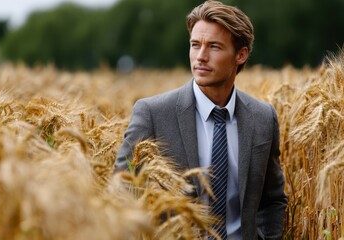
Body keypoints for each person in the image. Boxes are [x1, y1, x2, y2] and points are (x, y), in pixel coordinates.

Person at [115, 1, 287, 239]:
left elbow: (273, 199)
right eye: (195, 45)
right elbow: (122, 192)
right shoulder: (152, 114)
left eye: (214, 47)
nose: (201, 57)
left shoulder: (263, 118)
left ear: (241, 54)